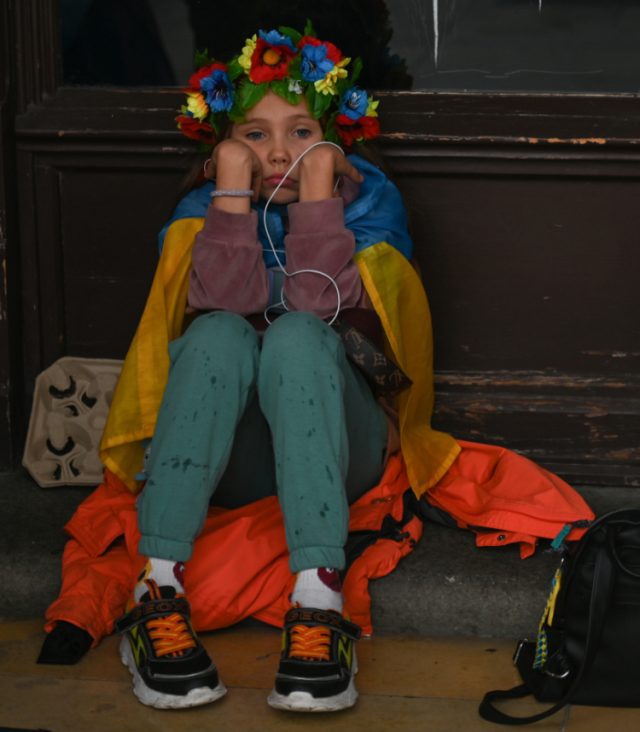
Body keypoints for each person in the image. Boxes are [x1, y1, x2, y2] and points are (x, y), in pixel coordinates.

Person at [106, 24, 459, 712]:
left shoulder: (371, 203)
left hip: (339, 449)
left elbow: (318, 307)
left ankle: (319, 605)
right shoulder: (201, 209)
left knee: (297, 334)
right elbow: (224, 302)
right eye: (254, 135)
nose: (276, 153)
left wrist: (320, 195)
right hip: (227, 460)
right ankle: (156, 592)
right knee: (217, 332)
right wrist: (232, 197)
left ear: (336, 138)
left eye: (301, 132)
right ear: (224, 145)